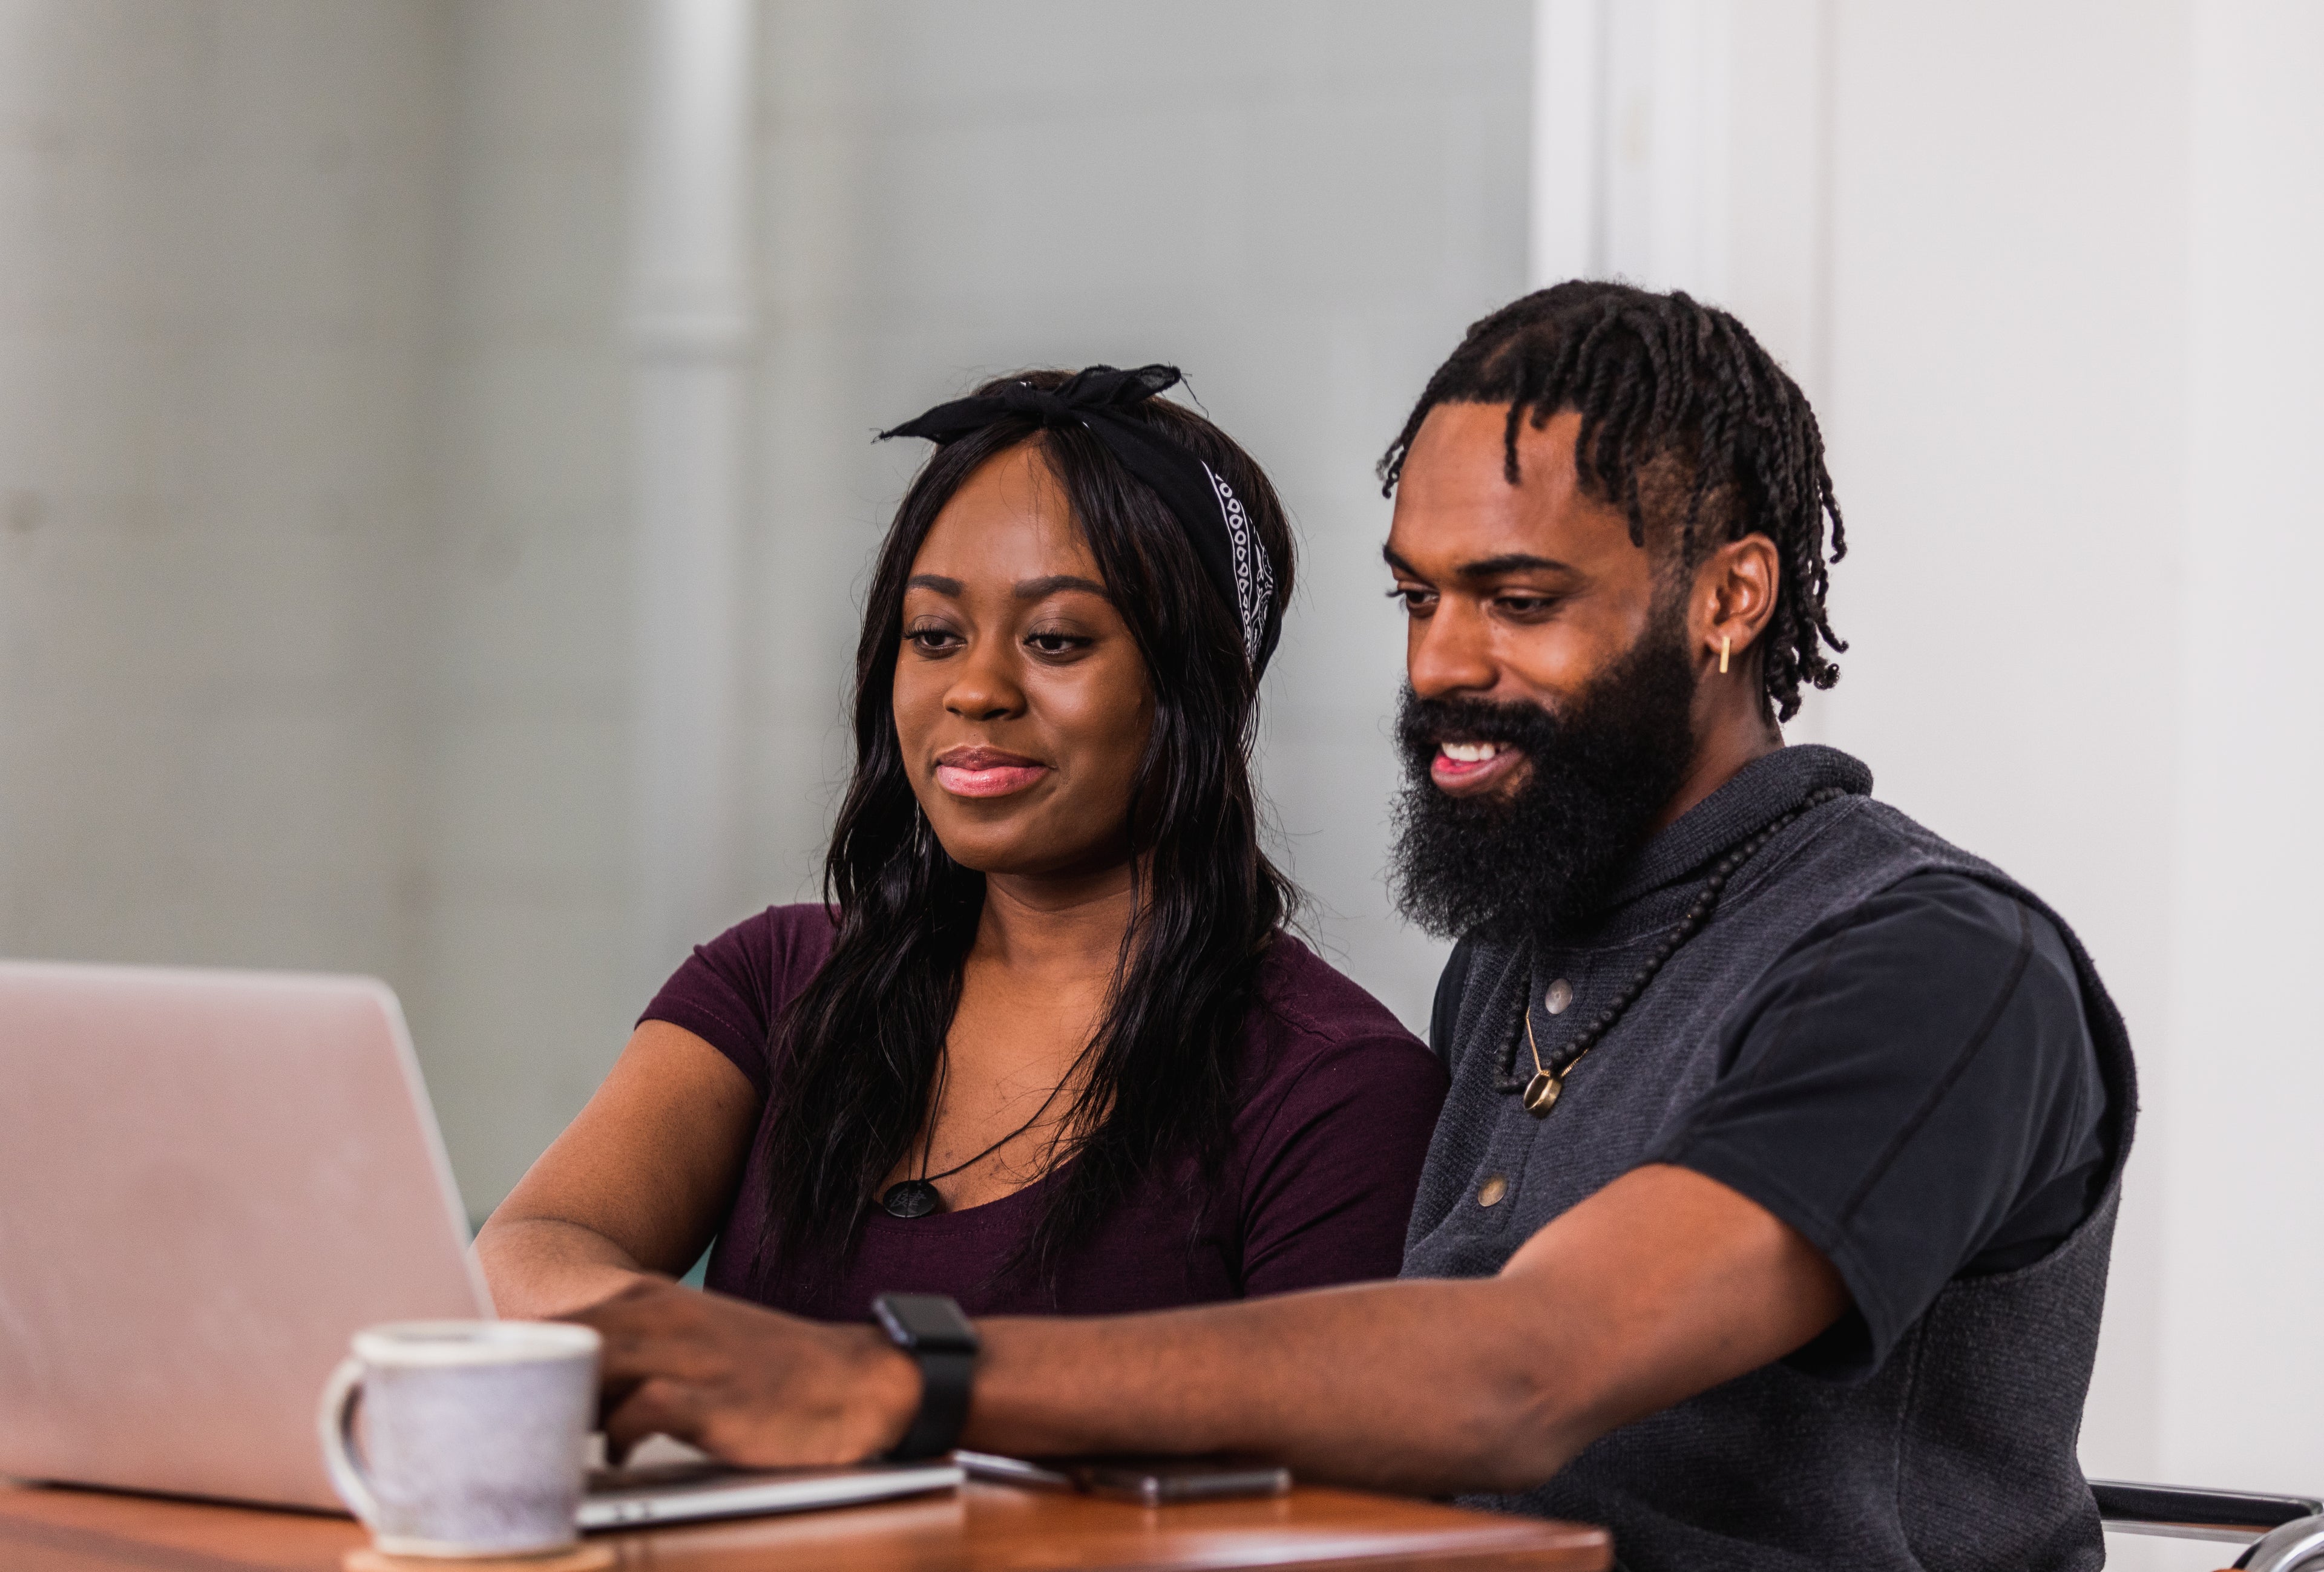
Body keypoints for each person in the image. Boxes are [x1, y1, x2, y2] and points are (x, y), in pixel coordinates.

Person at [563, 289, 2133, 1572]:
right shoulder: (1520, 968)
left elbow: (1519, 1365)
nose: (1443, 660)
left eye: (1516, 599)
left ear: (1729, 598)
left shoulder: (1934, 967)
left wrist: (896, 1379)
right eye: (1417, 597)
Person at [478, 365, 1447, 1325]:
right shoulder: (774, 983)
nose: (975, 689)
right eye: (935, 634)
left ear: (1196, 684)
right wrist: (740, 1375)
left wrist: (799, 1385)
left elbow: (1331, 1472)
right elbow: (524, 1258)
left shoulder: (1333, 1089)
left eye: (1057, 639)